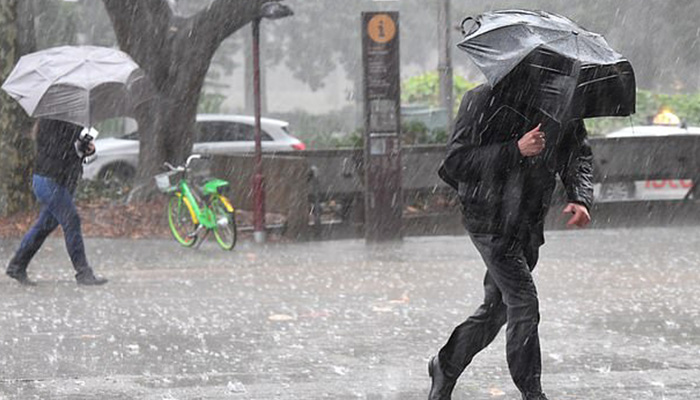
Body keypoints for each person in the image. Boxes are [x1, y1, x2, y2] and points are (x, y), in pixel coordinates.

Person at [428, 76, 593, 400]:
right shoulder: (482, 99)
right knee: (523, 302)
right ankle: (533, 394)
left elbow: (577, 153)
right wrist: (514, 150)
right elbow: (455, 162)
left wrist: (580, 197)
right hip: (488, 219)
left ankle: (445, 365)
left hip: (529, 220)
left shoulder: (563, 101)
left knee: (497, 309)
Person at [5, 119, 108, 286]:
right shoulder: (52, 122)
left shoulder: (66, 122)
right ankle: (83, 272)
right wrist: (80, 145)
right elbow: (60, 152)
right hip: (49, 181)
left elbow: (70, 153)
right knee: (71, 220)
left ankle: (17, 265)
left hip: (54, 181)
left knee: (44, 225)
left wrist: (85, 148)